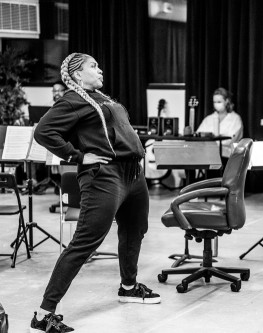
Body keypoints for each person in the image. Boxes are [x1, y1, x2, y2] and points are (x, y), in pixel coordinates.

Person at [30, 53, 160, 332]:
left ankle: (128, 287)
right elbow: (43, 132)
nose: (100, 70)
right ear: (77, 74)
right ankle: (42, 316)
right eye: (93, 66)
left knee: (134, 230)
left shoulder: (101, 98)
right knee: (84, 243)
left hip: (133, 175)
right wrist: (77, 156)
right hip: (105, 178)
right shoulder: (72, 100)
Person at [196, 87, 243, 158]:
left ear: (226, 101)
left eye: (219, 102)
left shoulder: (235, 119)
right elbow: (199, 135)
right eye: (214, 102)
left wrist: (214, 142)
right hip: (207, 153)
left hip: (227, 155)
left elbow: (231, 140)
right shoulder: (209, 119)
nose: (216, 104)